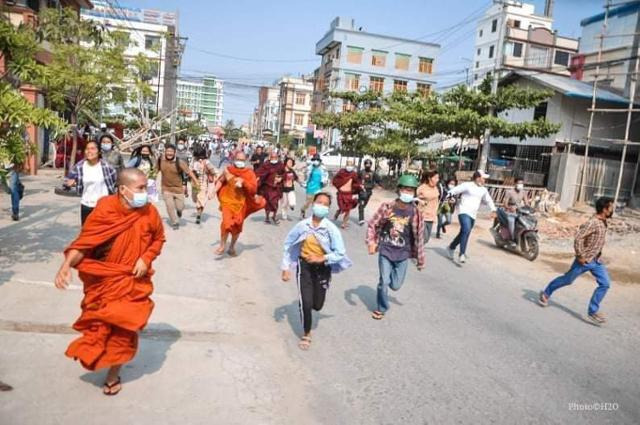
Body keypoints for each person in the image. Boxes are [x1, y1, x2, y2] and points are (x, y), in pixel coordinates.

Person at [54, 168, 165, 396]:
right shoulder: (105, 209)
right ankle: (97, 354)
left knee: (124, 329)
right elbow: (86, 242)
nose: (146, 192)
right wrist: (66, 265)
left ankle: (114, 373)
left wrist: (146, 257)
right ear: (123, 190)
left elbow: (158, 238)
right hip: (104, 280)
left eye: (146, 187)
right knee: (101, 327)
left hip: (132, 281)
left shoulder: (149, 212)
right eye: (141, 188)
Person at [281, 192, 352, 350]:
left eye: (325, 204)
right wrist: (286, 267)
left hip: (322, 269)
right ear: (313, 204)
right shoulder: (302, 225)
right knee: (306, 302)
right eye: (319, 202)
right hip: (304, 266)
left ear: (328, 208)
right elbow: (288, 243)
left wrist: (323, 258)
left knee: (317, 305)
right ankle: (306, 333)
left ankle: (310, 306)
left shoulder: (331, 229)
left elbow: (340, 252)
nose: (321, 205)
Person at [538, 197, 614, 326]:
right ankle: (546, 293)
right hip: (584, 260)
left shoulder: (603, 221)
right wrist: (580, 255)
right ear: (604, 209)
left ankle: (593, 311)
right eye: (611, 207)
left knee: (605, 283)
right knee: (568, 280)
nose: (612, 210)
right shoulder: (593, 222)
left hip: (596, 260)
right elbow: (578, 237)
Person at [366, 174, 425, 320]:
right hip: (386, 249)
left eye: (411, 190)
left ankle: (389, 285)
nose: (407, 193)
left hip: (403, 253)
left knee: (396, 285)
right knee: (384, 281)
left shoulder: (416, 212)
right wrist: (371, 242)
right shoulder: (387, 207)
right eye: (405, 189)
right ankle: (381, 307)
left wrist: (420, 259)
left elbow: (419, 236)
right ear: (399, 190)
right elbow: (373, 224)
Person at [214, 152, 266, 256]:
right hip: (228, 202)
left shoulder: (249, 173)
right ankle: (222, 245)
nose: (240, 162)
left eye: (242, 160)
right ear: (234, 159)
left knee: (237, 226)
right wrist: (212, 192)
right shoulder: (228, 170)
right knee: (226, 223)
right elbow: (220, 181)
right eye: (238, 159)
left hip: (242, 204)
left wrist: (244, 182)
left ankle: (232, 247)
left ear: (245, 160)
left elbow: (253, 190)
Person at [447, 170, 496, 264]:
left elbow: (489, 200)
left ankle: (451, 247)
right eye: (483, 178)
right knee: (466, 229)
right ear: (478, 178)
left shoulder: (483, 190)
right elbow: (454, 191)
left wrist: (493, 210)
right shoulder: (467, 185)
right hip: (463, 211)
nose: (485, 180)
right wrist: (449, 197)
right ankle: (462, 253)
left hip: (473, 214)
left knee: (464, 232)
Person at [66, 140, 117, 225]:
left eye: (93, 148)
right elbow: (67, 180)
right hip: (86, 205)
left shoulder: (106, 166)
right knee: (87, 233)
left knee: (102, 233)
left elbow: (115, 182)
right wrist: (72, 183)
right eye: (87, 149)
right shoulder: (80, 166)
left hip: (103, 206)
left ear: (99, 151)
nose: (89, 151)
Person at [157, 144, 200, 230]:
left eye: (171, 152)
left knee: (180, 207)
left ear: (174, 152)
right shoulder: (160, 160)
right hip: (166, 188)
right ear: (165, 151)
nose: (169, 153)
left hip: (178, 189)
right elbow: (155, 171)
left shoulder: (179, 162)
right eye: (168, 151)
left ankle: (179, 211)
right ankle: (174, 222)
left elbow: (189, 172)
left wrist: (196, 181)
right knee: (169, 206)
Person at [256, 151, 285, 224]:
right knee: (268, 203)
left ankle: (274, 216)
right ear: (270, 158)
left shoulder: (281, 165)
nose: (274, 159)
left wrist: (281, 178)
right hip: (268, 187)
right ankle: (267, 217)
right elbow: (259, 172)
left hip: (277, 187)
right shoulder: (266, 164)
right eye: (272, 157)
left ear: (278, 158)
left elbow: (284, 174)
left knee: (275, 202)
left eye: (275, 157)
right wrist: (257, 178)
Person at [332, 159, 362, 229]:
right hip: (341, 193)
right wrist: (338, 186)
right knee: (342, 207)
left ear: (353, 166)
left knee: (348, 210)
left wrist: (359, 187)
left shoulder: (354, 174)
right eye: (348, 165)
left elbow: (357, 183)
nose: (349, 167)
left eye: (351, 165)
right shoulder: (341, 172)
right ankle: (338, 211)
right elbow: (335, 180)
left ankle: (344, 224)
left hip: (348, 194)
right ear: (346, 165)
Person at [190, 146, 217, 224]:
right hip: (194, 183)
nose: (199, 157)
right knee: (195, 198)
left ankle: (199, 214)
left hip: (203, 183)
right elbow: (189, 170)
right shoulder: (193, 161)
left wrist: (213, 175)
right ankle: (199, 209)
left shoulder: (207, 162)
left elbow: (213, 170)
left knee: (201, 199)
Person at [300, 154, 329, 219]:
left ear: (319, 161)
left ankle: (315, 216)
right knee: (307, 203)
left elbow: (325, 177)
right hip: (310, 188)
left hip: (318, 188)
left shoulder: (323, 169)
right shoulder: (309, 168)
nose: (316, 161)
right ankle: (302, 210)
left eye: (317, 160)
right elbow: (305, 177)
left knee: (316, 204)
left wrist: (324, 183)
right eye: (314, 160)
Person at [416, 170, 441, 244]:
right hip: (422, 215)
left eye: (438, 178)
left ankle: (416, 247)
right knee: (424, 237)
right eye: (436, 178)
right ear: (430, 178)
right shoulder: (422, 187)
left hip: (431, 216)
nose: (437, 179)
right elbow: (416, 198)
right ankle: (417, 251)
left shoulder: (437, 188)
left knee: (426, 239)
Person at [501, 177, 528, 242]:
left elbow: (526, 203)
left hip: (520, 211)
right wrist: (510, 208)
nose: (520, 185)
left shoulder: (523, 192)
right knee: (511, 222)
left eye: (522, 183)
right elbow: (505, 204)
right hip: (510, 212)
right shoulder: (509, 192)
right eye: (519, 183)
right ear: (515, 183)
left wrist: (530, 209)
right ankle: (512, 239)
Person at [357, 158, 381, 225]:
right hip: (361, 191)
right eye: (366, 164)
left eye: (369, 164)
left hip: (369, 192)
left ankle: (360, 205)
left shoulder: (373, 173)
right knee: (361, 205)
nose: (368, 165)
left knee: (364, 205)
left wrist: (379, 185)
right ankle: (361, 219)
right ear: (364, 165)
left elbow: (378, 180)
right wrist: (359, 185)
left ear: (371, 165)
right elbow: (356, 180)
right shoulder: (361, 172)